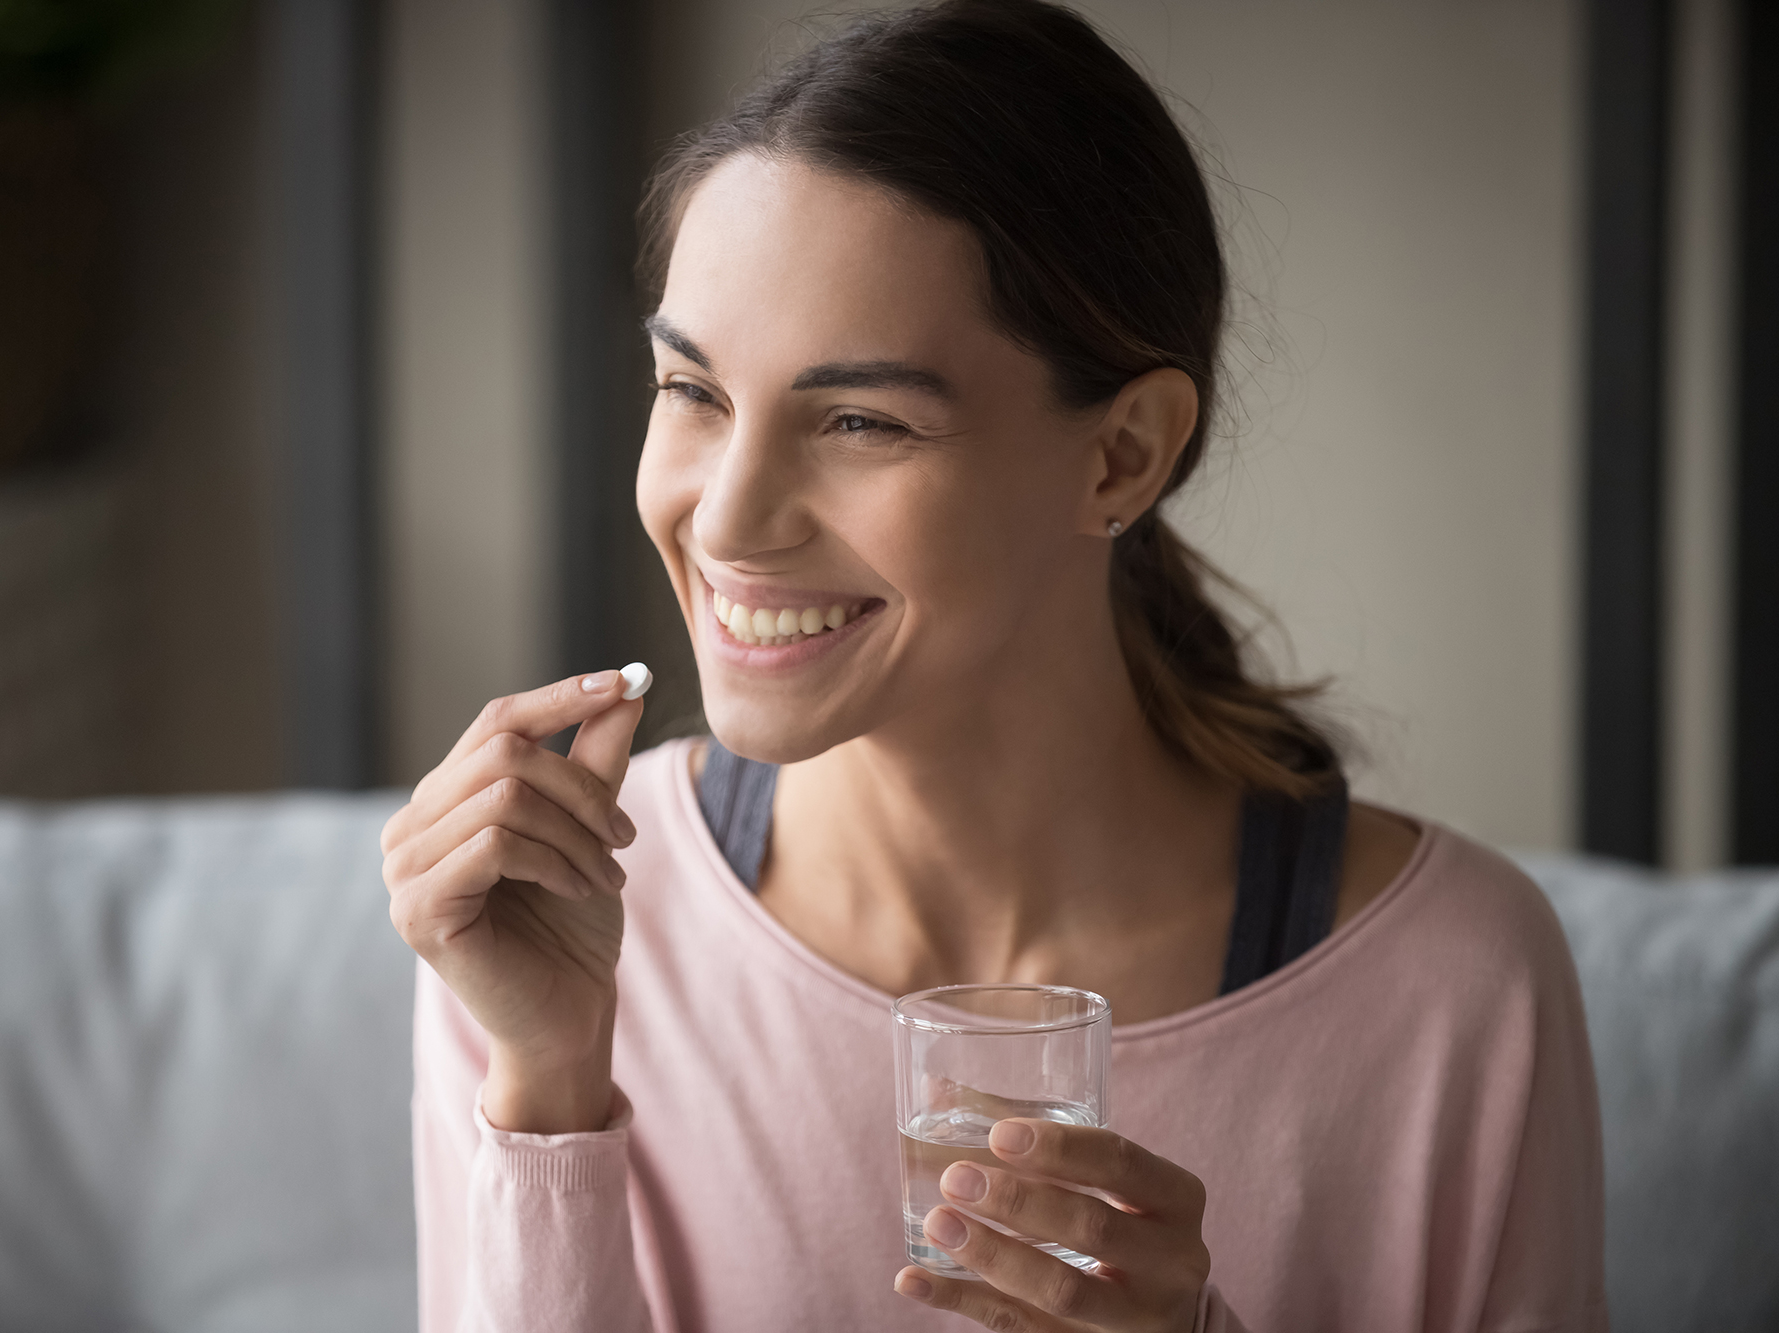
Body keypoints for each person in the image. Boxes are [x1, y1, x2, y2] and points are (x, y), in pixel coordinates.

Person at [381, 1, 1608, 1329]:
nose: (726, 518)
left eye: (857, 418)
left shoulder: (1453, 991)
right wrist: (549, 1085)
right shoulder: (554, 923)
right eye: (694, 392)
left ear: (1122, 455)